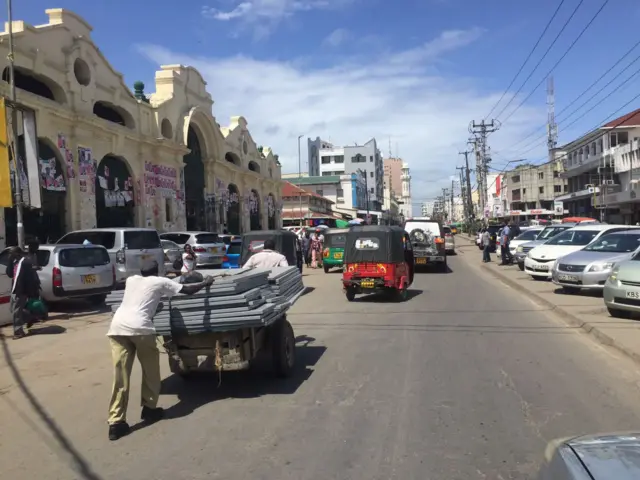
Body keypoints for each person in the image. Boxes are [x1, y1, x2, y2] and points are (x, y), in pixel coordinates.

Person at [106, 260, 214, 441]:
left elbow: (140, 298)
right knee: (151, 372)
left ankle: (116, 423)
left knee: (120, 376)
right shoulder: (160, 281)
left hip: (117, 329)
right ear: (158, 271)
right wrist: (205, 282)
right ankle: (149, 409)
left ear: (141, 271)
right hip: (141, 329)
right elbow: (187, 290)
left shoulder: (132, 280)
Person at [7, 247, 40, 339]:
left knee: (16, 312)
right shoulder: (14, 262)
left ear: (17, 253)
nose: (10, 255)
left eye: (11, 253)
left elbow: (30, 279)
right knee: (13, 310)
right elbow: (9, 274)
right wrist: (10, 261)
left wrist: (31, 292)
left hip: (21, 290)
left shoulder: (25, 263)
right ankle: (31, 317)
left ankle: (18, 332)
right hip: (14, 289)